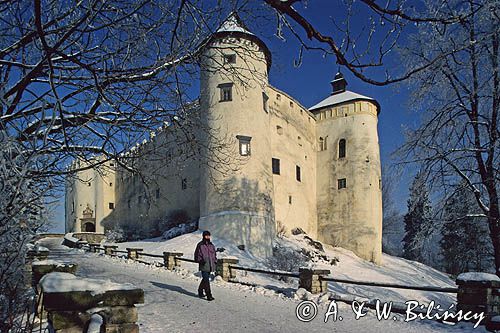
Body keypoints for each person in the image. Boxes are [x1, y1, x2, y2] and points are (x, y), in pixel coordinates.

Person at [194, 230, 217, 301]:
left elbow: (214, 254)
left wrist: (215, 261)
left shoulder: (211, 245)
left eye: (208, 235)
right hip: (204, 265)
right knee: (206, 280)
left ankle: (200, 291)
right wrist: (200, 261)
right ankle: (209, 295)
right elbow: (196, 255)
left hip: (210, 265)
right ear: (203, 236)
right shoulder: (200, 245)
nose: (207, 237)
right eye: (206, 235)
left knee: (205, 279)